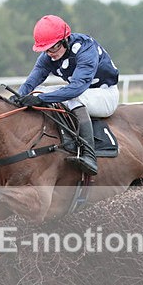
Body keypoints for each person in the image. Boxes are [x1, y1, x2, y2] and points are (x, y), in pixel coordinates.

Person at [12, 15, 120, 176]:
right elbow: (31, 82)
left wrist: (40, 99)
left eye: (53, 48)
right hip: (83, 93)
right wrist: (18, 97)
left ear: (65, 40)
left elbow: (76, 89)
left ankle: (89, 155)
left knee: (71, 98)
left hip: (105, 95)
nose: (50, 53)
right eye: (46, 49)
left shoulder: (85, 48)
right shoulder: (48, 56)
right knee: (39, 90)